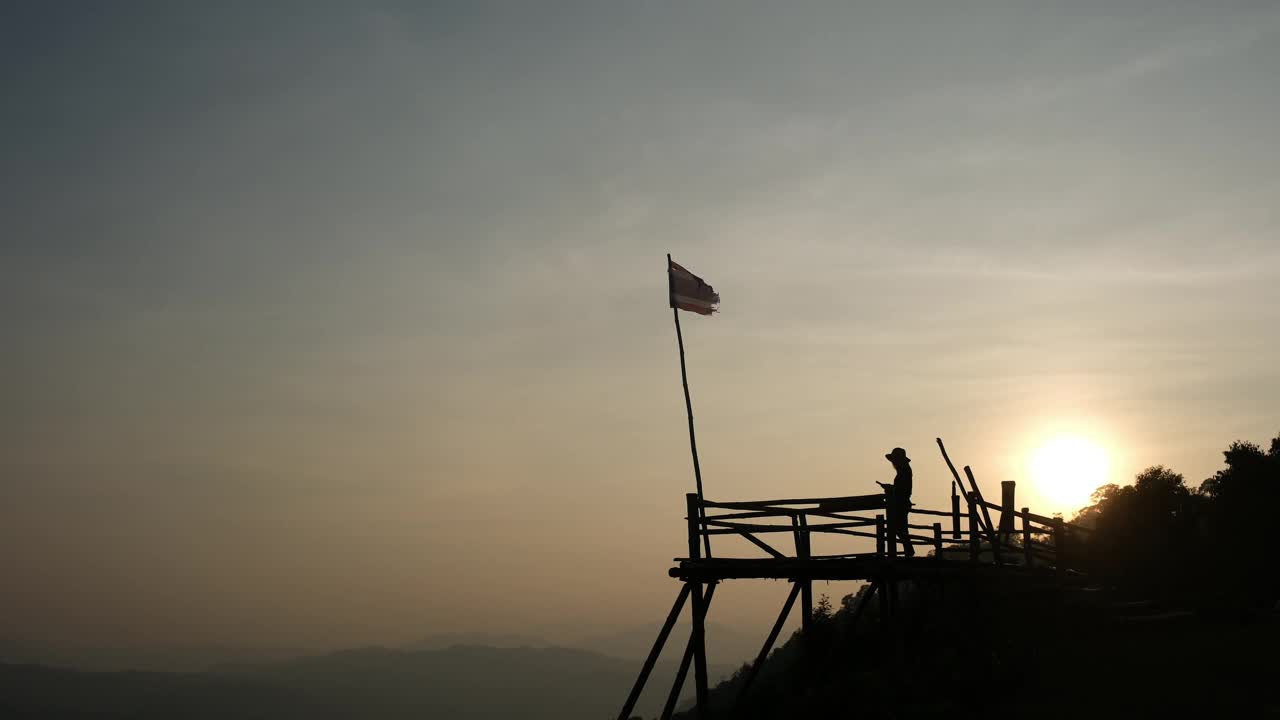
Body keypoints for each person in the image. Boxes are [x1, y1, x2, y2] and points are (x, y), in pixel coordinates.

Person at [877, 447, 914, 557]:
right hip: (902, 503)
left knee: (899, 528)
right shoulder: (905, 470)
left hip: (901, 503)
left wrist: (890, 488)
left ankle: (909, 551)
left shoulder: (904, 471)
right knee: (900, 528)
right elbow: (900, 488)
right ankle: (908, 551)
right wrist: (891, 488)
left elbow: (902, 490)